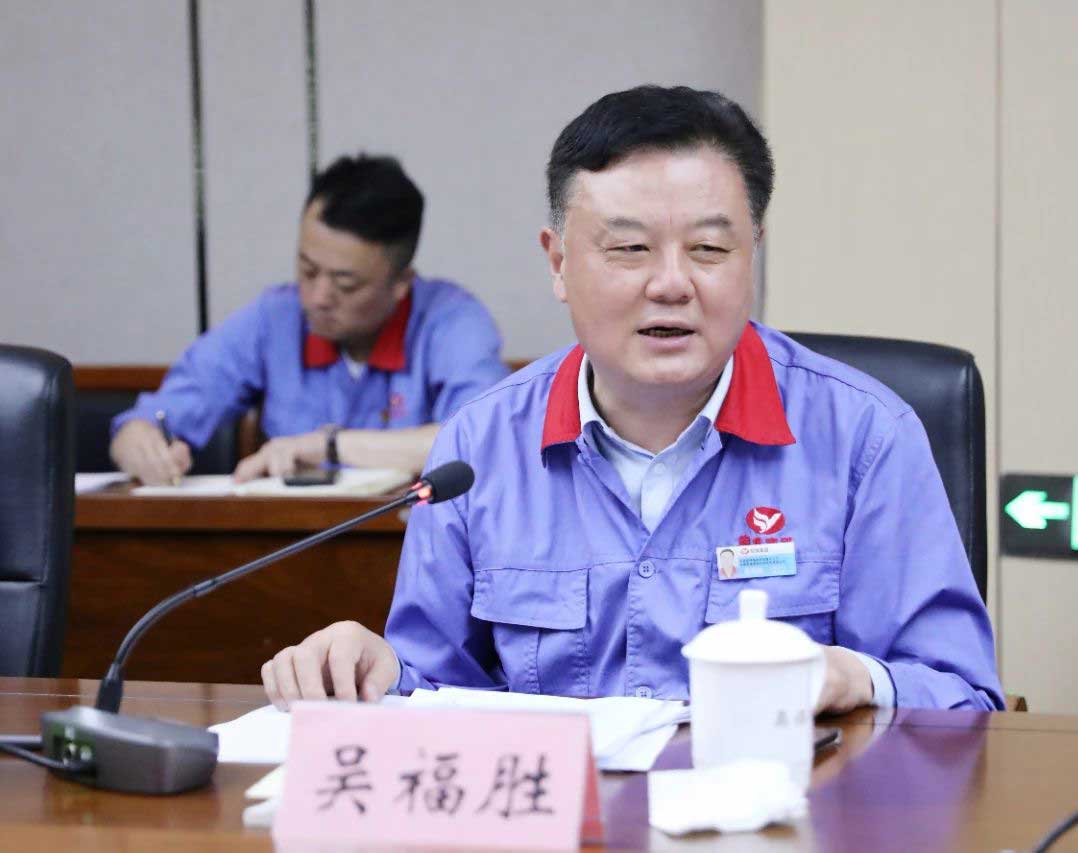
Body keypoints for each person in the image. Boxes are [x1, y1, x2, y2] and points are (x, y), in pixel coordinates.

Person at [260, 86, 1004, 713]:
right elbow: (436, 693)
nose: (672, 283)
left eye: (709, 249)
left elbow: (964, 698)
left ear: (752, 253)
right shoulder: (479, 447)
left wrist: (857, 678)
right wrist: (377, 671)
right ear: (558, 262)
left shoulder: (865, 436)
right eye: (630, 248)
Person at [110, 155, 509, 485]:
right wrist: (139, 440)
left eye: (346, 284)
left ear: (401, 283)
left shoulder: (451, 320)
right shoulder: (275, 318)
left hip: (410, 540)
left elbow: (484, 440)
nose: (318, 298)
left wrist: (329, 446)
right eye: (307, 270)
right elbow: (157, 414)